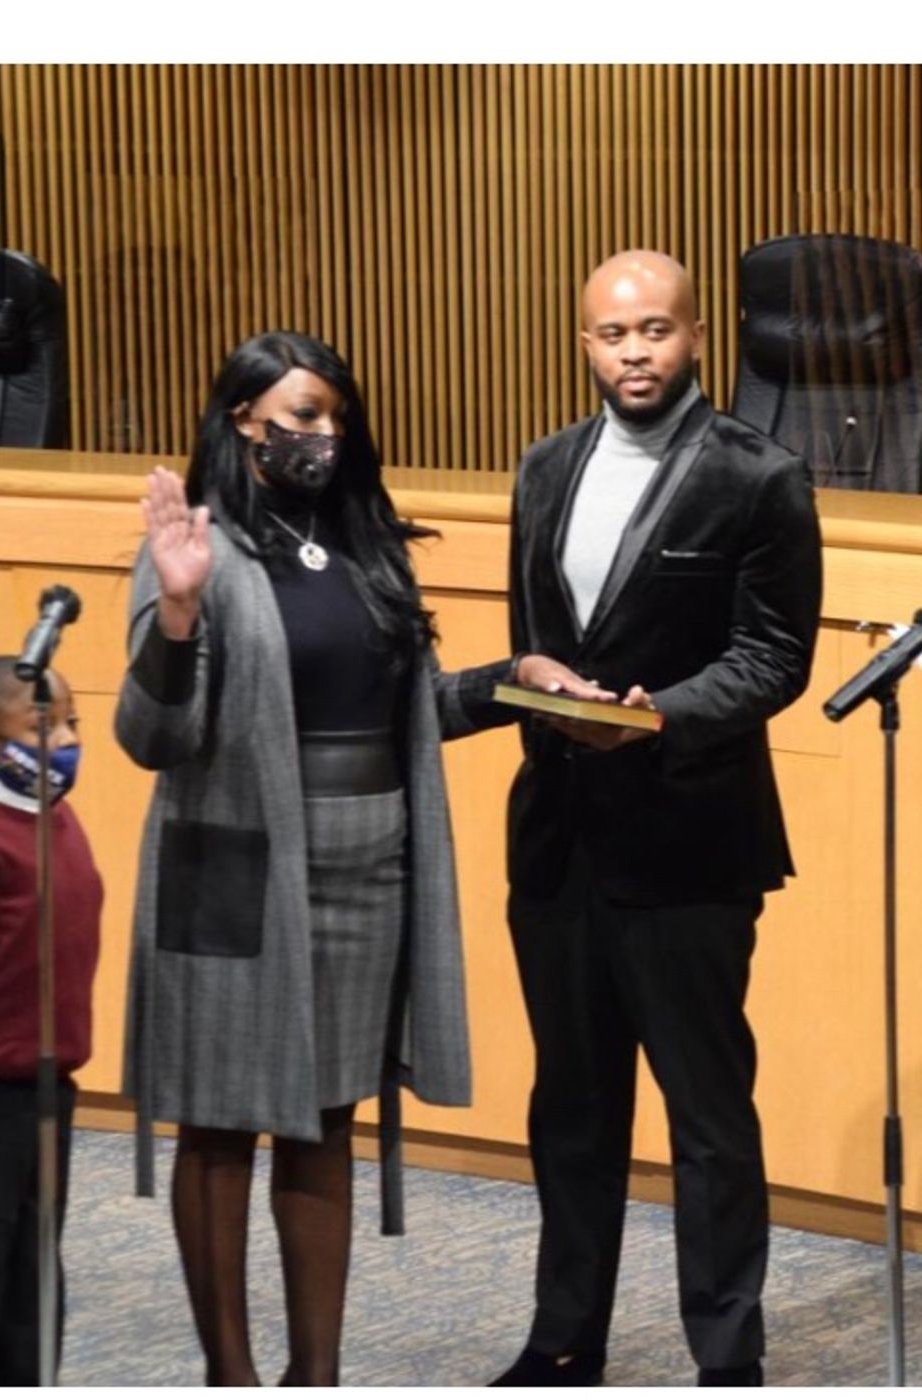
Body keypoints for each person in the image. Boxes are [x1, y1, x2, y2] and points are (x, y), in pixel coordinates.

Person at [115, 331, 577, 1386]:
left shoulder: (367, 543)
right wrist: (177, 612)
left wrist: (515, 676)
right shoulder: (196, 542)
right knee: (226, 1123)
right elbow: (150, 735)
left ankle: (314, 1375)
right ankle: (230, 1373)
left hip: (366, 865)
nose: (320, 434)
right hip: (234, 870)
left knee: (324, 1123)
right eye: (300, 414)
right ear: (243, 420)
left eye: (331, 414)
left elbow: (405, 711)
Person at [489, 250, 823, 1388]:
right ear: (582, 342)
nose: (633, 351)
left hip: (689, 841)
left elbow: (773, 656)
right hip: (558, 841)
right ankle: (563, 1337)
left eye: (655, 331)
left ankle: (727, 1354)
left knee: (706, 1117)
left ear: (696, 338)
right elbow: (533, 630)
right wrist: (536, 675)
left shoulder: (759, 473)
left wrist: (658, 716)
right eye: (610, 334)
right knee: (570, 1110)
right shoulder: (541, 467)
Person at [0, 658, 102, 1385]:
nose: (65, 739)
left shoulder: (57, 822)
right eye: (44, 726)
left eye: (71, 722)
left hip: (47, 1087)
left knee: (34, 1266)